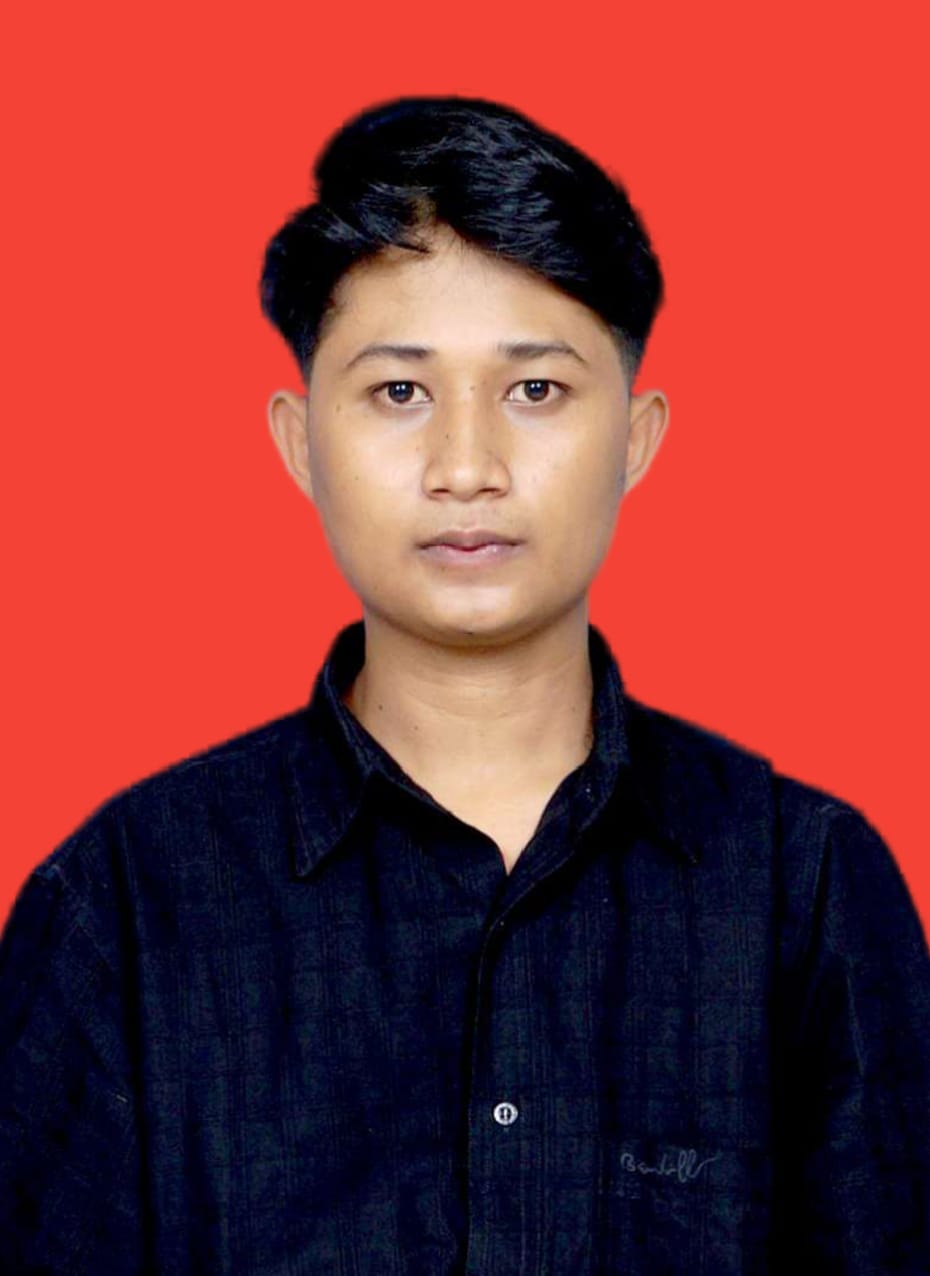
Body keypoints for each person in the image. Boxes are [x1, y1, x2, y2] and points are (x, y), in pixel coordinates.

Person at [1, 95, 928, 1275]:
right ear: (300, 440)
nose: (467, 467)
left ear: (636, 437)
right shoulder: (124, 909)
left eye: (535, 390)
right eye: (400, 392)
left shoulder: (805, 889)